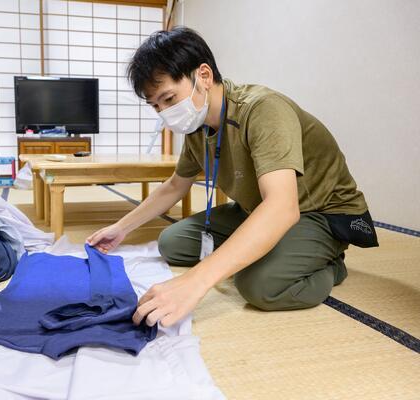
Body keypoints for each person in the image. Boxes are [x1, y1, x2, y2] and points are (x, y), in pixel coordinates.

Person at [86, 27, 378, 328]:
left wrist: (193, 283)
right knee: (172, 243)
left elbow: (282, 206)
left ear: (204, 75)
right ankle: (265, 247)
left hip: (319, 212)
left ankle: (331, 265)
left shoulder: (263, 110)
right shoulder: (197, 127)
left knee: (259, 285)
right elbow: (176, 185)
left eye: (169, 98)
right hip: (259, 207)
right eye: (156, 106)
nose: (165, 113)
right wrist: (121, 228)